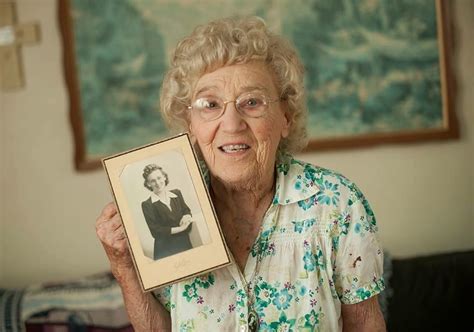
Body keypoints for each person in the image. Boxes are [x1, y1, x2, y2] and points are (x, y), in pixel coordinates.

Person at [96, 16, 386, 331]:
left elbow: (365, 323)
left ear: (285, 117)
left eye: (251, 102)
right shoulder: (174, 205)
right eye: (210, 104)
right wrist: (123, 267)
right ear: (191, 125)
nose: (232, 124)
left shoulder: (337, 204)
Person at [141, 164, 193, 260]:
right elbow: (156, 231)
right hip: (165, 249)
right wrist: (181, 229)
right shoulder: (147, 204)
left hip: (184, 242)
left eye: (159, 178)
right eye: (153, 181)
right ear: (148, 184)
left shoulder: (176, 193)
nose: (157, 183)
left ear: (164, 177)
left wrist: (186, 216)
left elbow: (186, 210)